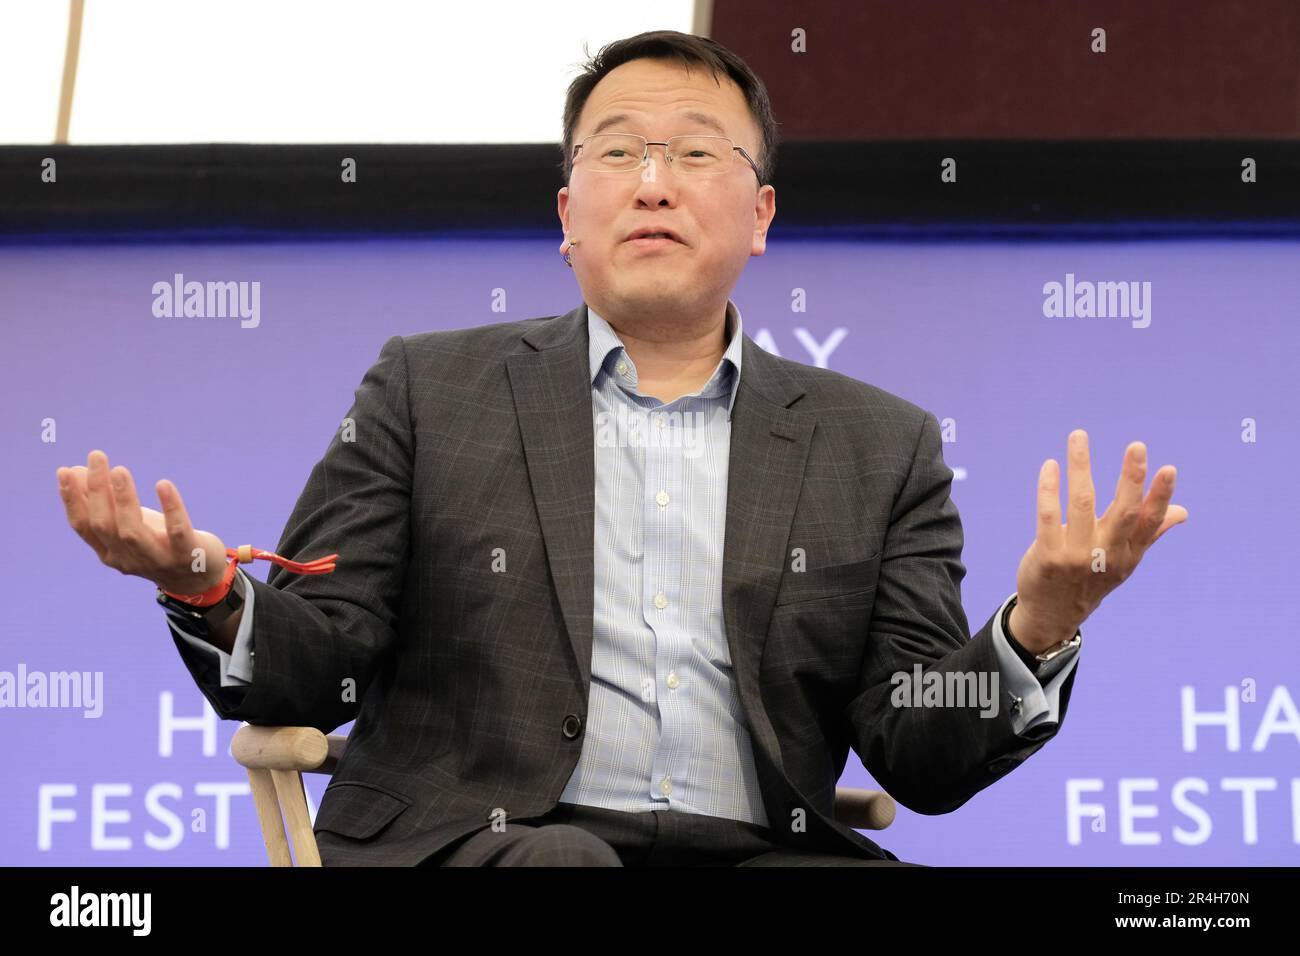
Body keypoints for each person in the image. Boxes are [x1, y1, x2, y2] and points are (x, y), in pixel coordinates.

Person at [55, 30, 1186, 867]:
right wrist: (205, 588)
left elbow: (921, 757)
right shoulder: (428, 388)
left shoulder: (876, 445)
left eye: (696, 153)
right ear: (564, 213)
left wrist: (1041, 623)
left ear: (760, 214)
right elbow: (322, 661)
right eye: (619, 153)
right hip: (481, 844)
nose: (652, 180)